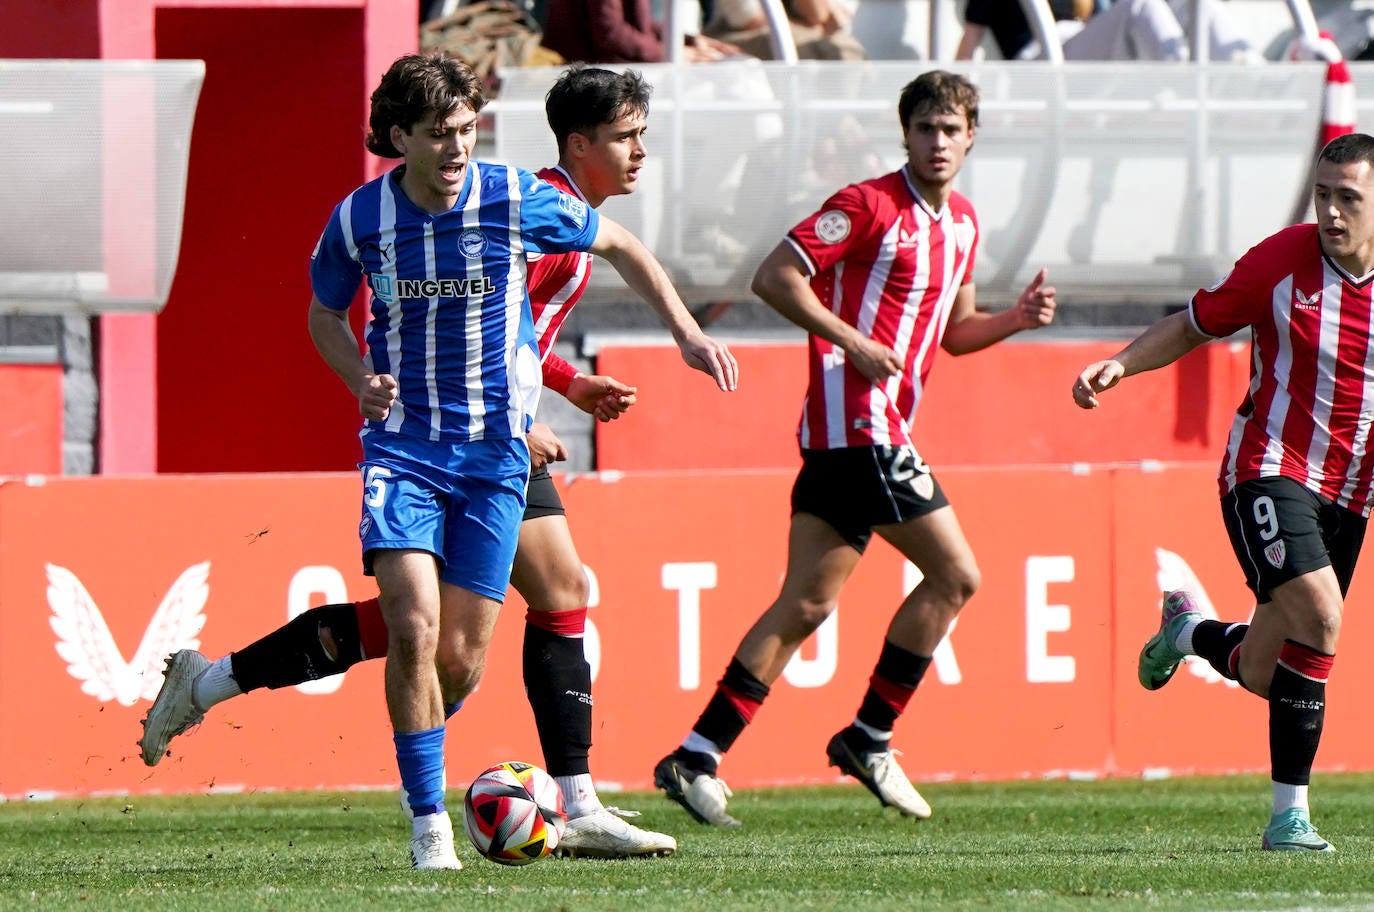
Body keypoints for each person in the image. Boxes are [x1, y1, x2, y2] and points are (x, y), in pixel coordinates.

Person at [138, 62, 738, 864]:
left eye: (466, 130)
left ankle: (215, 682)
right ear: (398, 138)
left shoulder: (522, 202)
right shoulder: (365, 219)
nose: (456, 148)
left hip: (493, 450)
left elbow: (556, 300)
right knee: (424, 621)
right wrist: (363, 381)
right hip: (410, 448)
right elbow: (326, 312)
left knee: (455, 648)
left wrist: (679, 338)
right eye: (438, 133)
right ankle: (445, 826)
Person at [651, 69, 1058, 827]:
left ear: (972, 138)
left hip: (860, 437)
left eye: (951, 129)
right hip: (858, 427)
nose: (937, 141)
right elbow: (774, 276)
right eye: (925, 128)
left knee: (805, 603)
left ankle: (696, 754)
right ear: (904, 133)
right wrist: (851, 341)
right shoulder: (866, 205)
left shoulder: (963, 224)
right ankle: (870, 734)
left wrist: (1016, 320)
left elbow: (956, 332)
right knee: (958, 574)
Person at [1071, 132, 1374, 853]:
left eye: (1349, 199)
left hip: (1350, 492)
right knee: (1322, 619)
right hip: (1268, 467)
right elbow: (1194, 324)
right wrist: (1121, 364)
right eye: (1322, 195)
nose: (1330, 213)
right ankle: (1288, 819)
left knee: (1271, 672)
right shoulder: (1279, 262)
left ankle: (1187, 632)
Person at [956, 0, 1255, 63]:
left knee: (1197, 5)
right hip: (1039, 60)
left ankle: (1254, 74)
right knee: (1142, 6)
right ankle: (1184, 80)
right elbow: (969, 43)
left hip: (1086, 43)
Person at [541, 0, 744, 62]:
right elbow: (612, 34)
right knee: (736, 83)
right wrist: (672, 53)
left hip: (625, 68)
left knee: (739, 67)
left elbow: (640, 24)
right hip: (600, 77)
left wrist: (689, 41)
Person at [702, 0, 864, 60]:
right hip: (735, 37)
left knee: (849, 53)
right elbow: (748, 19)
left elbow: (827, 20)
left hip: (813, 37)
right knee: (806, 52)